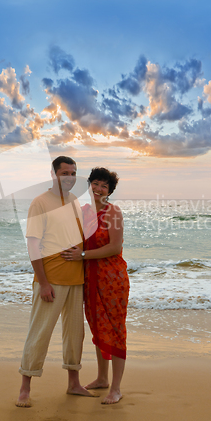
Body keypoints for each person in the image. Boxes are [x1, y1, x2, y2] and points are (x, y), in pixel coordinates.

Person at [16, 156, 92, 407]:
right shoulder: (40, 202)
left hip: (75, 280)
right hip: (51, 280)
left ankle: (73, 383)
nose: (70, 177)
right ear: (53, 174)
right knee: (39, 334)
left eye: (73, 173)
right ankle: (25, 388)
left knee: (74, 335)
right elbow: (33, 243)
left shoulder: (73, 202)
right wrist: (43, 282)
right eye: (65, 173)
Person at [61, 167, 129, 404]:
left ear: (109, 191)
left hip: (112, 279)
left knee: (115, 330)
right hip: (90, 278)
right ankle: (102, 378)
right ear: (89, 185)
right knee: (98, 328)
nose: (99, 189)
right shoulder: (83, 211)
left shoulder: (113, 212)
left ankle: (116, 388)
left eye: (105, 186)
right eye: (96, 184)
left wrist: (81, 256)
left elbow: (114, 247)